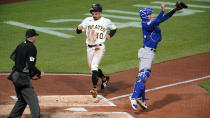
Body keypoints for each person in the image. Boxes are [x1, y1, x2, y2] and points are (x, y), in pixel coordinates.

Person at [129, 1, 188, 110]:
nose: (152, 15)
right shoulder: (146, 24)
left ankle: (140, 99)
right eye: (150, 14)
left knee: (143, 75)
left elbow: (163, 18)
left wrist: (175, 9)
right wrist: (162, 10)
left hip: (149, 53)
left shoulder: (152, 23)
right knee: (145, 74)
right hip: (146, 52)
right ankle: (133, 97)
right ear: (146, 16)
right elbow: (157, 19)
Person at [76, 3, 117, 98]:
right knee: (92, 69)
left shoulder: (106, 21)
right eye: (93, 11)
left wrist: (110, 35)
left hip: (99, 47)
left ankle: (94, 89)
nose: (94, 13)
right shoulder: (87, 20)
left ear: (100, 12)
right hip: (89, 48)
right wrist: (78, 29)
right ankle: (104, 78)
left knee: (94, 67)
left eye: (95, 11)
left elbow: (114, 29)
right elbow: (78, 31)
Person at [8, 29, 44, 118]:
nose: (35, 38)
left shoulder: (20, 45)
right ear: (33, 37)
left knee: (22, 99)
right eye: (35, 36)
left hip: (14, 75)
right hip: (22, 78)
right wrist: (39, 73)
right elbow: (31, 65)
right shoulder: (32, 48)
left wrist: (21, 64)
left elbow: (12, 57)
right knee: (33, 100)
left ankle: (13, 116)